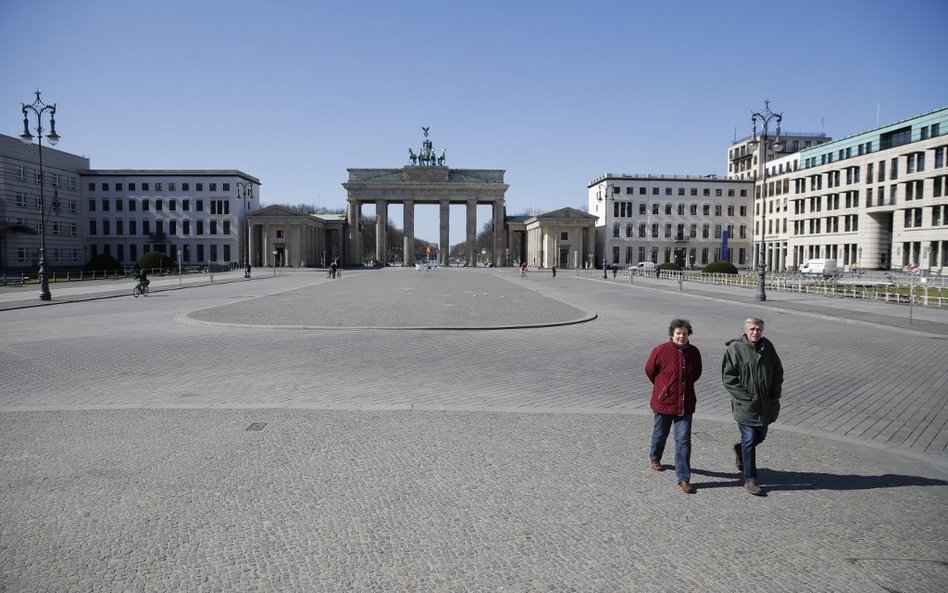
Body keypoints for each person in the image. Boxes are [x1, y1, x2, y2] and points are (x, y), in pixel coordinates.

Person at [721, 317, 784, 496]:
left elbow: (778, 370)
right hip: (746, 406)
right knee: (749, 439)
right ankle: (750, 479)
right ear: (746, 330)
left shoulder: (768, 347)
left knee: (760, 436)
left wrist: (775, 391)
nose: (755, 332)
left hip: (766, 404)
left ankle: (740, 449)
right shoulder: (736, 348)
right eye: (752, 329)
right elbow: (728, 378)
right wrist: (745, 397)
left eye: (758, 329)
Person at [646, 319, 702, 494]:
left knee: (683, 440)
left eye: (684, 333)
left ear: (688, 335)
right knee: (660, 433)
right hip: (664, 402)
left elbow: (696, 373)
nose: (681, 336)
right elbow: (650, 370)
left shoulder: (694, 352)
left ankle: (684, 478)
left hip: (685, 403)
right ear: (672, 334)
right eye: (678, 333)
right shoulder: (660, 350)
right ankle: (655, 456)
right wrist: (663, 388)